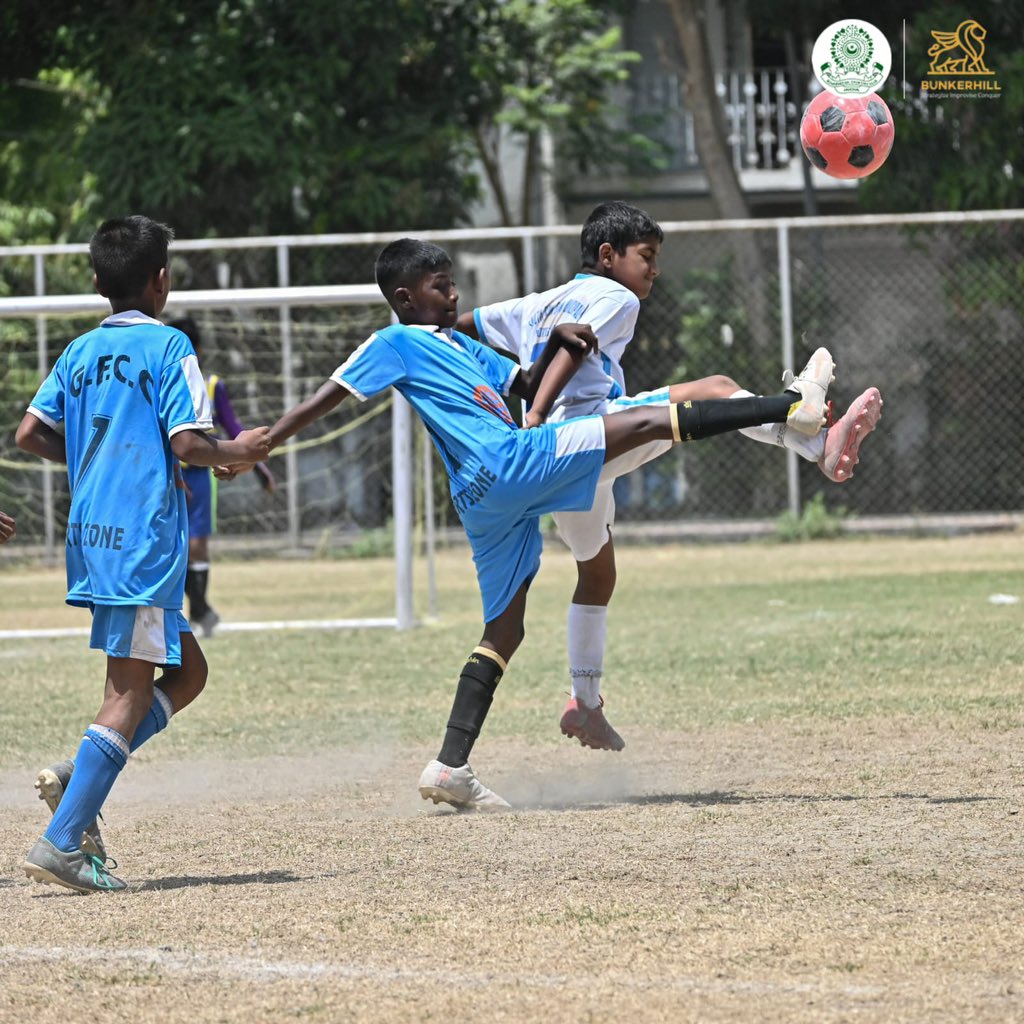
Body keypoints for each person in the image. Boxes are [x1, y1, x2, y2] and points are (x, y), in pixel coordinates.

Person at [247, 237, 846, 811]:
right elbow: (332, 393)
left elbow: (526, 382)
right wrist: (267, 440)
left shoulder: (462, 347)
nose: (452, 296)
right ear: (404, 299)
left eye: (453, 285)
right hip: (507, 460)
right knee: (642, 423)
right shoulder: (392, 342)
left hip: (480, 498)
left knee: (503, 630)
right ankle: (793, 407)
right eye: (439, 287)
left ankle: (450, 766)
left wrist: (557, 341)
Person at [457, 201, 882, 752]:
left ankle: (584, 705)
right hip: (587, 440)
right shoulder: (615, 296)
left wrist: (468, 372)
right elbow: (578, 341)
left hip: (555, 460)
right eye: (647, 257)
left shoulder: (539, 302)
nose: (654, 270)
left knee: (597, 574)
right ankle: (816, 440)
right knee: (716, 388)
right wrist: (537, 411)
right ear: (608, 257)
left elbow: (463, 327)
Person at [15, 215, 270, 893]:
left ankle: (80, 776)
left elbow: (30, 431)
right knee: (127, 689)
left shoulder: (77, 352)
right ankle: (64, 840)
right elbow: (189, 443)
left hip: (94, 534)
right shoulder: (169, 346)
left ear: (97, 281)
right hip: (142, 540)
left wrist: (92, 463)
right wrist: (236, 453)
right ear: (163, 281)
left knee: (188, 674)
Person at [168, 317, 275, 637]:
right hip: (167, 475)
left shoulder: (212, 385)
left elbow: (233, 428)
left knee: (198, 545)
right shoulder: (161, 383)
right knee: (172, 549)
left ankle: (198, 614)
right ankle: (198, 612)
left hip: (200, 477)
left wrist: (260, 469)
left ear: (196, 350)